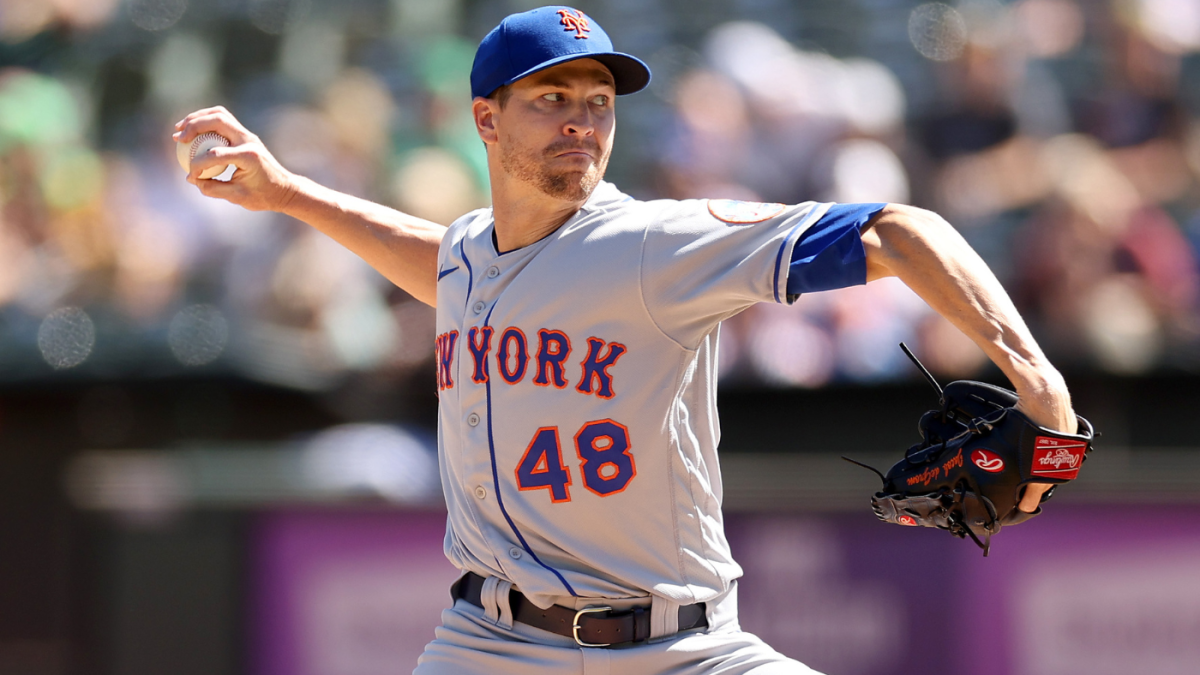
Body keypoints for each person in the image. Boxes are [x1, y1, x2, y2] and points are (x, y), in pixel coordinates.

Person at [174, 6, 1076, 674]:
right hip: (488, 644)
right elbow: (444, 264)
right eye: (552, 97)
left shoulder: (652, 244)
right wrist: (290, 192)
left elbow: (902, 232)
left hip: (683, 650)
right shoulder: (470, 258)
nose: (582, 120)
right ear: (486, 118)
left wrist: (1042, 389)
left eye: (599, 100)